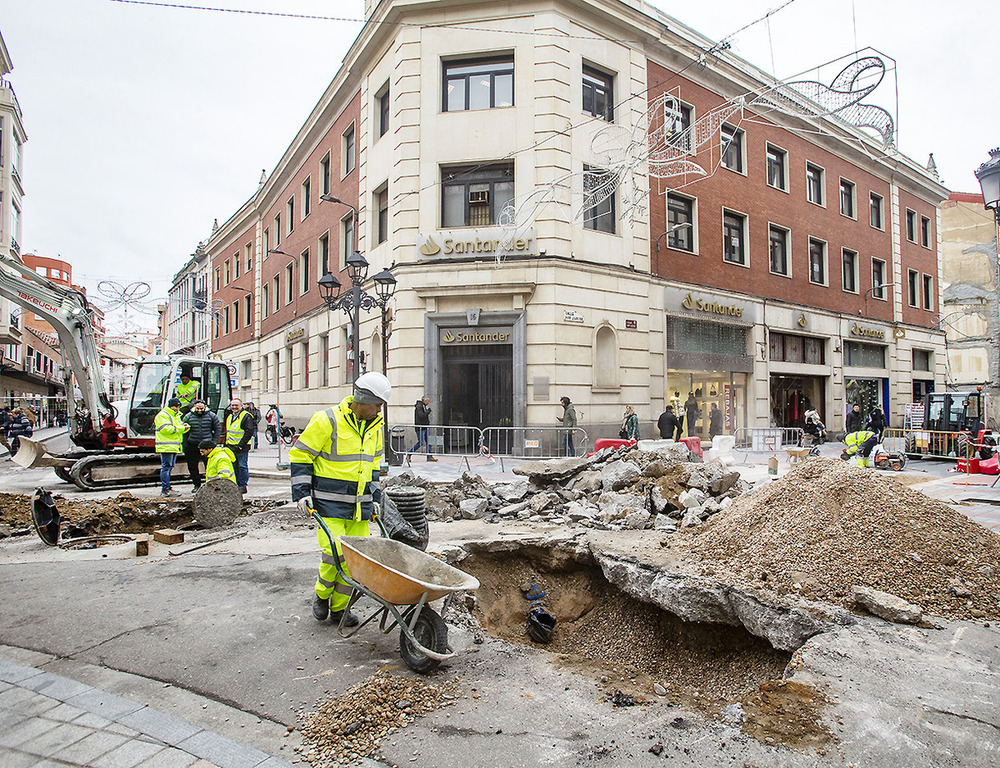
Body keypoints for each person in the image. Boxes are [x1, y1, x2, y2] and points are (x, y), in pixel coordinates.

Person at [290, 371, 390, 627]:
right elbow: (301, 456)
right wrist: (302, 494)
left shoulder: (375, 427)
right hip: (329, 504)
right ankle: (322, 596)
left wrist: (375, 497)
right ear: (363, 399)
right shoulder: (327, 421)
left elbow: (374, 466)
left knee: (354, 561)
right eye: (377, 405)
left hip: (359, 506)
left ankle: (339, 608)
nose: (379, 411)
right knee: (333, 553)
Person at [182, 399, 221, 491]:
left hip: (207, 446)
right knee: (192, 466)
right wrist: (185, 444)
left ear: (205, 407)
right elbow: (184, 431)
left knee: (209, 466)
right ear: (194, 408)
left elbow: (217, 429)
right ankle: (196, 485)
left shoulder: (212, 416)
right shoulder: (188, 417)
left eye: (201, 408)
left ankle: (210, 485)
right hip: (192, 445)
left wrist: (214, 442)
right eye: (197, 409)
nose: (199, 410)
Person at [154, 397, 189, 497]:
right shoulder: (163, 415)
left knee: (168, 467)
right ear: (171, 406)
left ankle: (167, 487)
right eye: (176, 407)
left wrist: (184, 427)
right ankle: (165, 489)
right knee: (166, 467)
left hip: (173, 446)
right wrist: (182, 428)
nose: (177, 409)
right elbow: (167, 429)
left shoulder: (174, 415)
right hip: (166, 446)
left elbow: (177, 428)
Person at [222, 398, 254, 493]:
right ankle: (235, 484)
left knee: (242, 466)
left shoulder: (246, 416)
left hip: (241, 447)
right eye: (232, 405)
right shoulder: (230, 416)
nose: (234, 407)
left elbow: (249, 432)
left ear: (241, 406)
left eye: (236, 405)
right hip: (230, 446)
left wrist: (241, 445)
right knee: (233, 466)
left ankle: (242, 485)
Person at [407, 396, 436, 462]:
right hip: (420, 428)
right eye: (428, 401)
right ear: (424, 400)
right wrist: (428, 412)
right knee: (421, 442)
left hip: (425, 427)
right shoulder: (419, 407)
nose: (428, 402)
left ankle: (429, 456)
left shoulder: (424, 406)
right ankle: (409, 453)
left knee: (429, 441)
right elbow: (421, 416)